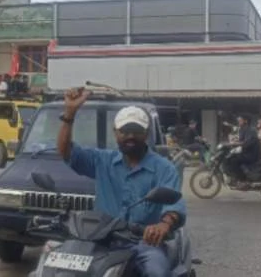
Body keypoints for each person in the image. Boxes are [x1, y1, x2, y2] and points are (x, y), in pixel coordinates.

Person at [59, 89, 187, 277]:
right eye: (125, 131)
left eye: (136, 131)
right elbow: (66, 152)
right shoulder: (102, 160)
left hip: (143, 243)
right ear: (115, 132)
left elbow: (173, 203)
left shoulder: (164, 168)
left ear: (146, 133)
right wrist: (69, 114)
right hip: (101, 240)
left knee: (157, 272)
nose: (130, 137)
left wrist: (163, 225)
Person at [224, 114, 261, 185]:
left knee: (233, 160)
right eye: (238, 121)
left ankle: (241, 179)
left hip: (251, 154)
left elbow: (247, 142)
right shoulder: (242, 129)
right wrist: (233, 141)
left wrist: (235, 144)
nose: (238, 122)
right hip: (245, 152)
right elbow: (241, 140)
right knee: (231, 157)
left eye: (240, 121)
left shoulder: (250, 130)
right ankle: (236, 177)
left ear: (245, 121)